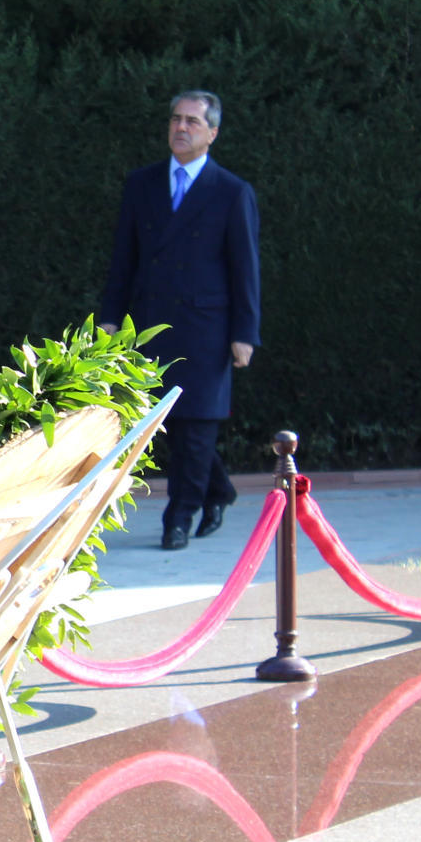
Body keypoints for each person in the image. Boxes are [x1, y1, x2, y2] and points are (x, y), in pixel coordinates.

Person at [98, 90, 261, 551]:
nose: (181, 128)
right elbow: (123, 259)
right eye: (175, 120)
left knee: (195, 424)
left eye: (192, 121)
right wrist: (111, 317)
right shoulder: (142, 184)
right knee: (163, 422)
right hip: (150, 322)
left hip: (205, 327)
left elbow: (245, 268)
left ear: (212, 133)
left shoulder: (231, 192)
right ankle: (219, 491)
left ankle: (179, 518)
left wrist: (244, 334)